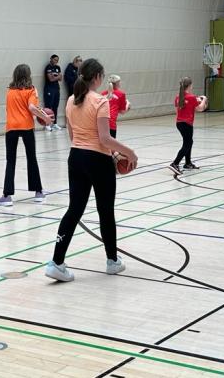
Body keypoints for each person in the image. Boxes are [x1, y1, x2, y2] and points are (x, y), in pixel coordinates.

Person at [44, 58, 138, 282]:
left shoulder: (70, 100)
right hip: (97, 161)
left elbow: (73, 137)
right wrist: (129, 152)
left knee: (74, 210)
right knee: (105, 211)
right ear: (97, 77)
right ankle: (112, 261)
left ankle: (56, 262)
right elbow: (105, 139)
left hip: (75, 157)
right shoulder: (100, 101)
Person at [0, 64, 52, 206]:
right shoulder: (31, 90)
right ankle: (38, 192)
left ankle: (7, 195)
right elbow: (32, 107)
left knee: (10, 161)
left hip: (11, 127)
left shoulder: (9, 91)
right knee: (31, 158)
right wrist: (45, 118)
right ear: (28, 75)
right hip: (26, 126)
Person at [167, 77, 206, 175]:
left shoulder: (178, 97)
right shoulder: (191, 97)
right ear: (190, 85)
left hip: (179, 123)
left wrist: (196, 100)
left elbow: (183, 105)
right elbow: (200, 109)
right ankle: (175, 163)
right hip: (187, 124)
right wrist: (204, 100)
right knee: (187, 144)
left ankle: (188, 163)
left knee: (188, 142)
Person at [43, 55, 62, 131]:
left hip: (56, 88)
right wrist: (58, 76)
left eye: (57, 60)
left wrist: (55, 77)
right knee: (48, 107)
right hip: (49, 89)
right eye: (55, 60)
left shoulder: (58, 68)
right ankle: (47, 124)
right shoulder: (48, 67)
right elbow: (50, 79)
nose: (56, 61)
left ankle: (54, 124)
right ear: (51, 59)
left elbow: (61, 78)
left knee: (55, 107)